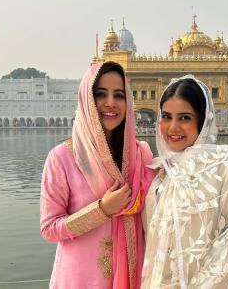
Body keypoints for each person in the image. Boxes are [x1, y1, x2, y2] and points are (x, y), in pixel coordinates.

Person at [40, 62, 155, 289]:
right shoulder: (63, 158)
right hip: (81, 280)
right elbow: (49, 229)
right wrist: (101, 210)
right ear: (86, 99)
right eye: (100, 94)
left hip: (133, 275)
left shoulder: (140, 157)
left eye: (119, 95)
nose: (110, 103)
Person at [141, 75, 228, 289]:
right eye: (167, 117)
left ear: (202, 119)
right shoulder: (159, 172)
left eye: (184, 118)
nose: (173, 127)